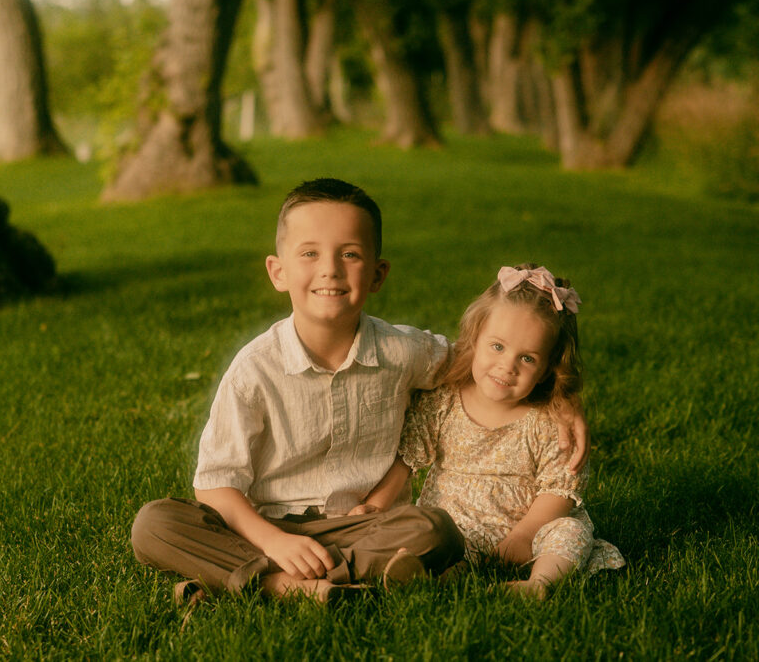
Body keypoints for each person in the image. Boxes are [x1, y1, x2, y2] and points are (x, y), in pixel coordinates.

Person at [130, 181, 589, 605]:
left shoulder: (403, 350)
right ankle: (283, 583)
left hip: (364, 526)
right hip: (266, 524)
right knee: (155, 524)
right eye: (309, 253)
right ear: (278, 271)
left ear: (377, 273)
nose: (329, 269)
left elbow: (487, 367)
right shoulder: (254, 370)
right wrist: (275, 541)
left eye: (349, 254)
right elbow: (215, 485)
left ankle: (257, 581)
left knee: (435, 530)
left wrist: (559, 401)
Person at [357, 264, 625, 597]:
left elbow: (559, 490)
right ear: (473, 339)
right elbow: (407, 460)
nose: (507, 367)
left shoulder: (550, 421)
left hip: (531, 525)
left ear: (546, 370)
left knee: (569, 531)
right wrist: (376, 507)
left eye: (527, 359)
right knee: (433, 540)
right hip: (456, 523)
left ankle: (537, 584)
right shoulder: (444, 400)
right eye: (497, 347)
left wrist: (524, 535)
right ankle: (425, 579)